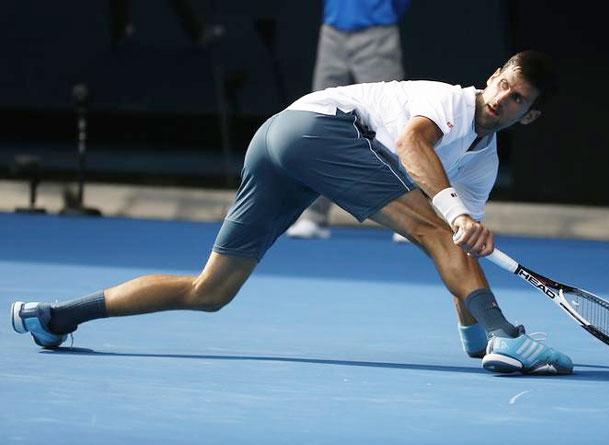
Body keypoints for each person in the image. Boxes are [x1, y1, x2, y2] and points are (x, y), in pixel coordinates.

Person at [11, 50, 573, 375]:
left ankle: (56, 316)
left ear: (532, 114)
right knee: (439, 227)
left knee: (210, 291)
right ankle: (507, 335)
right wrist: (455, 218)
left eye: (518, 97)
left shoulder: (483, 163)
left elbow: (457, 247)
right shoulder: (450, 100)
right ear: (493, 74)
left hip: (280, 142)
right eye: (503, 82)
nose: (502, 97)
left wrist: (471, 336)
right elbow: (413, 148)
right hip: (315, 131)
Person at [287, 0, 410, 240]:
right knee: (318, 121)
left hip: (377, 32)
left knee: (392, 124)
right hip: (332, 33)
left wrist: (380, 13)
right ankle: (313, 216)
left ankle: (410, 218)